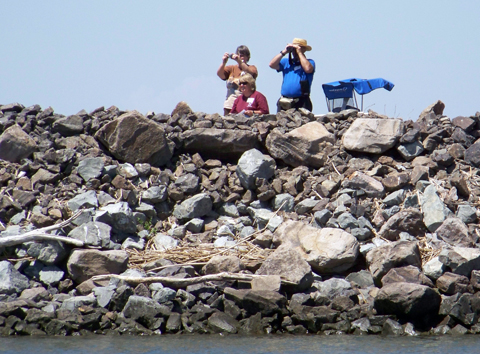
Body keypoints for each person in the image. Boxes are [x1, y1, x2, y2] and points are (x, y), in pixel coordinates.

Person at [269, 38, 315, 112]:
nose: (295, 52)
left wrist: (299, 53)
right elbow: (272, 65)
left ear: (304, 49)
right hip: (285, 101)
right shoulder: (287, 62)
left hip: (302, 101)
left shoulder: (310, 62)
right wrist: (284, 52)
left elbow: (308, 69)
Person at [217, 45, 258, 115]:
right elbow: (220, 74)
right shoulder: (231, 68)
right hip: (230, 104)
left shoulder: (252, 68)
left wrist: (240, 62)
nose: (241, 57)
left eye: (243, 55)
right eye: (239, 55)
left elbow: (251, 73)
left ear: (247, 57)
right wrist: (224, 62)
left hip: (244, 105)